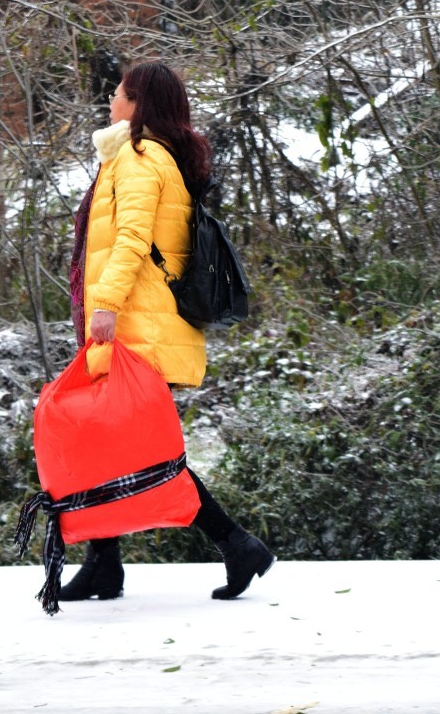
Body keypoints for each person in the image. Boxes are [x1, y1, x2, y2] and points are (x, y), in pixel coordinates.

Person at [59, 61, 274, 602]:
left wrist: (103, 305)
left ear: (137, 103)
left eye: (119, 92)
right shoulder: (151, 157)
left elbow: (131, 238)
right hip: (142, 325)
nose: (111, 98)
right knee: (104, 442)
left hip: (134, 328)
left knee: (141, 453)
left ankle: (234, 543)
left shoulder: (138, 158)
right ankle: (106, 562)